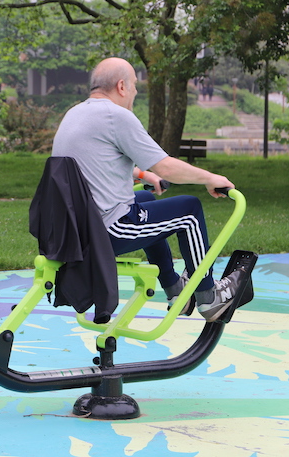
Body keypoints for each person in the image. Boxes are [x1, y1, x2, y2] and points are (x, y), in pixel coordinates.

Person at [51, 57, 243, 322]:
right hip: (106, 230)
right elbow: (167, 167)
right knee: (189, 209)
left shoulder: (75, 114)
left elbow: (92, 164)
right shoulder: (116, 116)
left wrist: (141, 174)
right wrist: (211, 178)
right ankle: (209, 297)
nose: (136, 92)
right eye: (134, 86)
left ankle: (175, 287)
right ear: (121, 86)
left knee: (141, 197)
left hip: (75, 229)